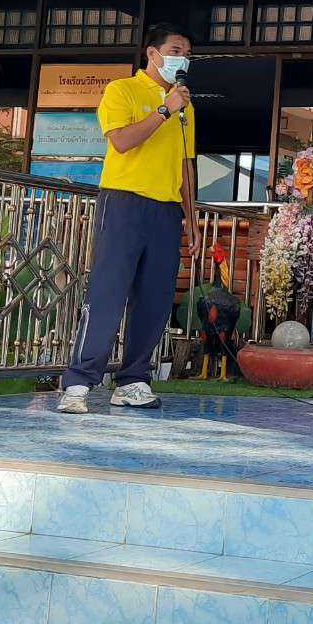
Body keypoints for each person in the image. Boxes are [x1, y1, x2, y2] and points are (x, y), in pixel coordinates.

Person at [58, 24, 199, 414]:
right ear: (152, 53)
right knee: (108, 292)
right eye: (176, 50)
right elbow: (121, 141)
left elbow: (186, 165)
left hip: (166, 210)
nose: (182, 59)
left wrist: (192, 218)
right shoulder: (122, 90)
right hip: (124, 202)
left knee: (155, 298)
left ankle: (133, 380)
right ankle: (78, 382)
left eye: (187, 54)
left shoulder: (187, 107)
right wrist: (164, 110)